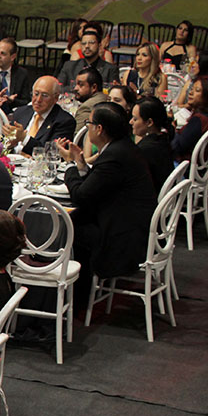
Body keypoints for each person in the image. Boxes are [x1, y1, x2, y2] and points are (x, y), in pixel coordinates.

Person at [56, 102, 157, 282]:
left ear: (99, 129)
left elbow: (81, 196)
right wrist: (81, 164)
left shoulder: (114, 156)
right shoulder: (123, 147)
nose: (87, 128)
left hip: (121, 237)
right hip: (129, 223)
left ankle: (70, 289)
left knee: (63, 228)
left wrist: (70, 164)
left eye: (89, 123)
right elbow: (97, 185)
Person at [3, 76, 76, 155]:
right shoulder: (21, 112)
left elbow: (52, 153)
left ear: (55, 98)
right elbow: (6, 145)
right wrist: (9, 144)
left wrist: (24, 138)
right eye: (36, 94)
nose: (38, 100)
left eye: (44, 95)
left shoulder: (64, 121)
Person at [129, 96, 176, 193]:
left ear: (149, 122)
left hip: (148, 202)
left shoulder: (146, 149)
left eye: (135, 119)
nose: (130, 122)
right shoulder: (163, 138)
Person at [172, 75, 208, 159]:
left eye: (197, 90)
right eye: (192, 89)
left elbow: (177, 148)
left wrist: (171, 129)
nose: (190, 92)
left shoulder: (199, 120)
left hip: (184, 166)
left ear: (207, 96)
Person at [70, 68, 111, 138]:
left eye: (81, 85)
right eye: (76, 84)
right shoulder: (105, 98)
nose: (75, 88)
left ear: (94, 87)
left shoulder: (86, 108)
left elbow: (76, 137)